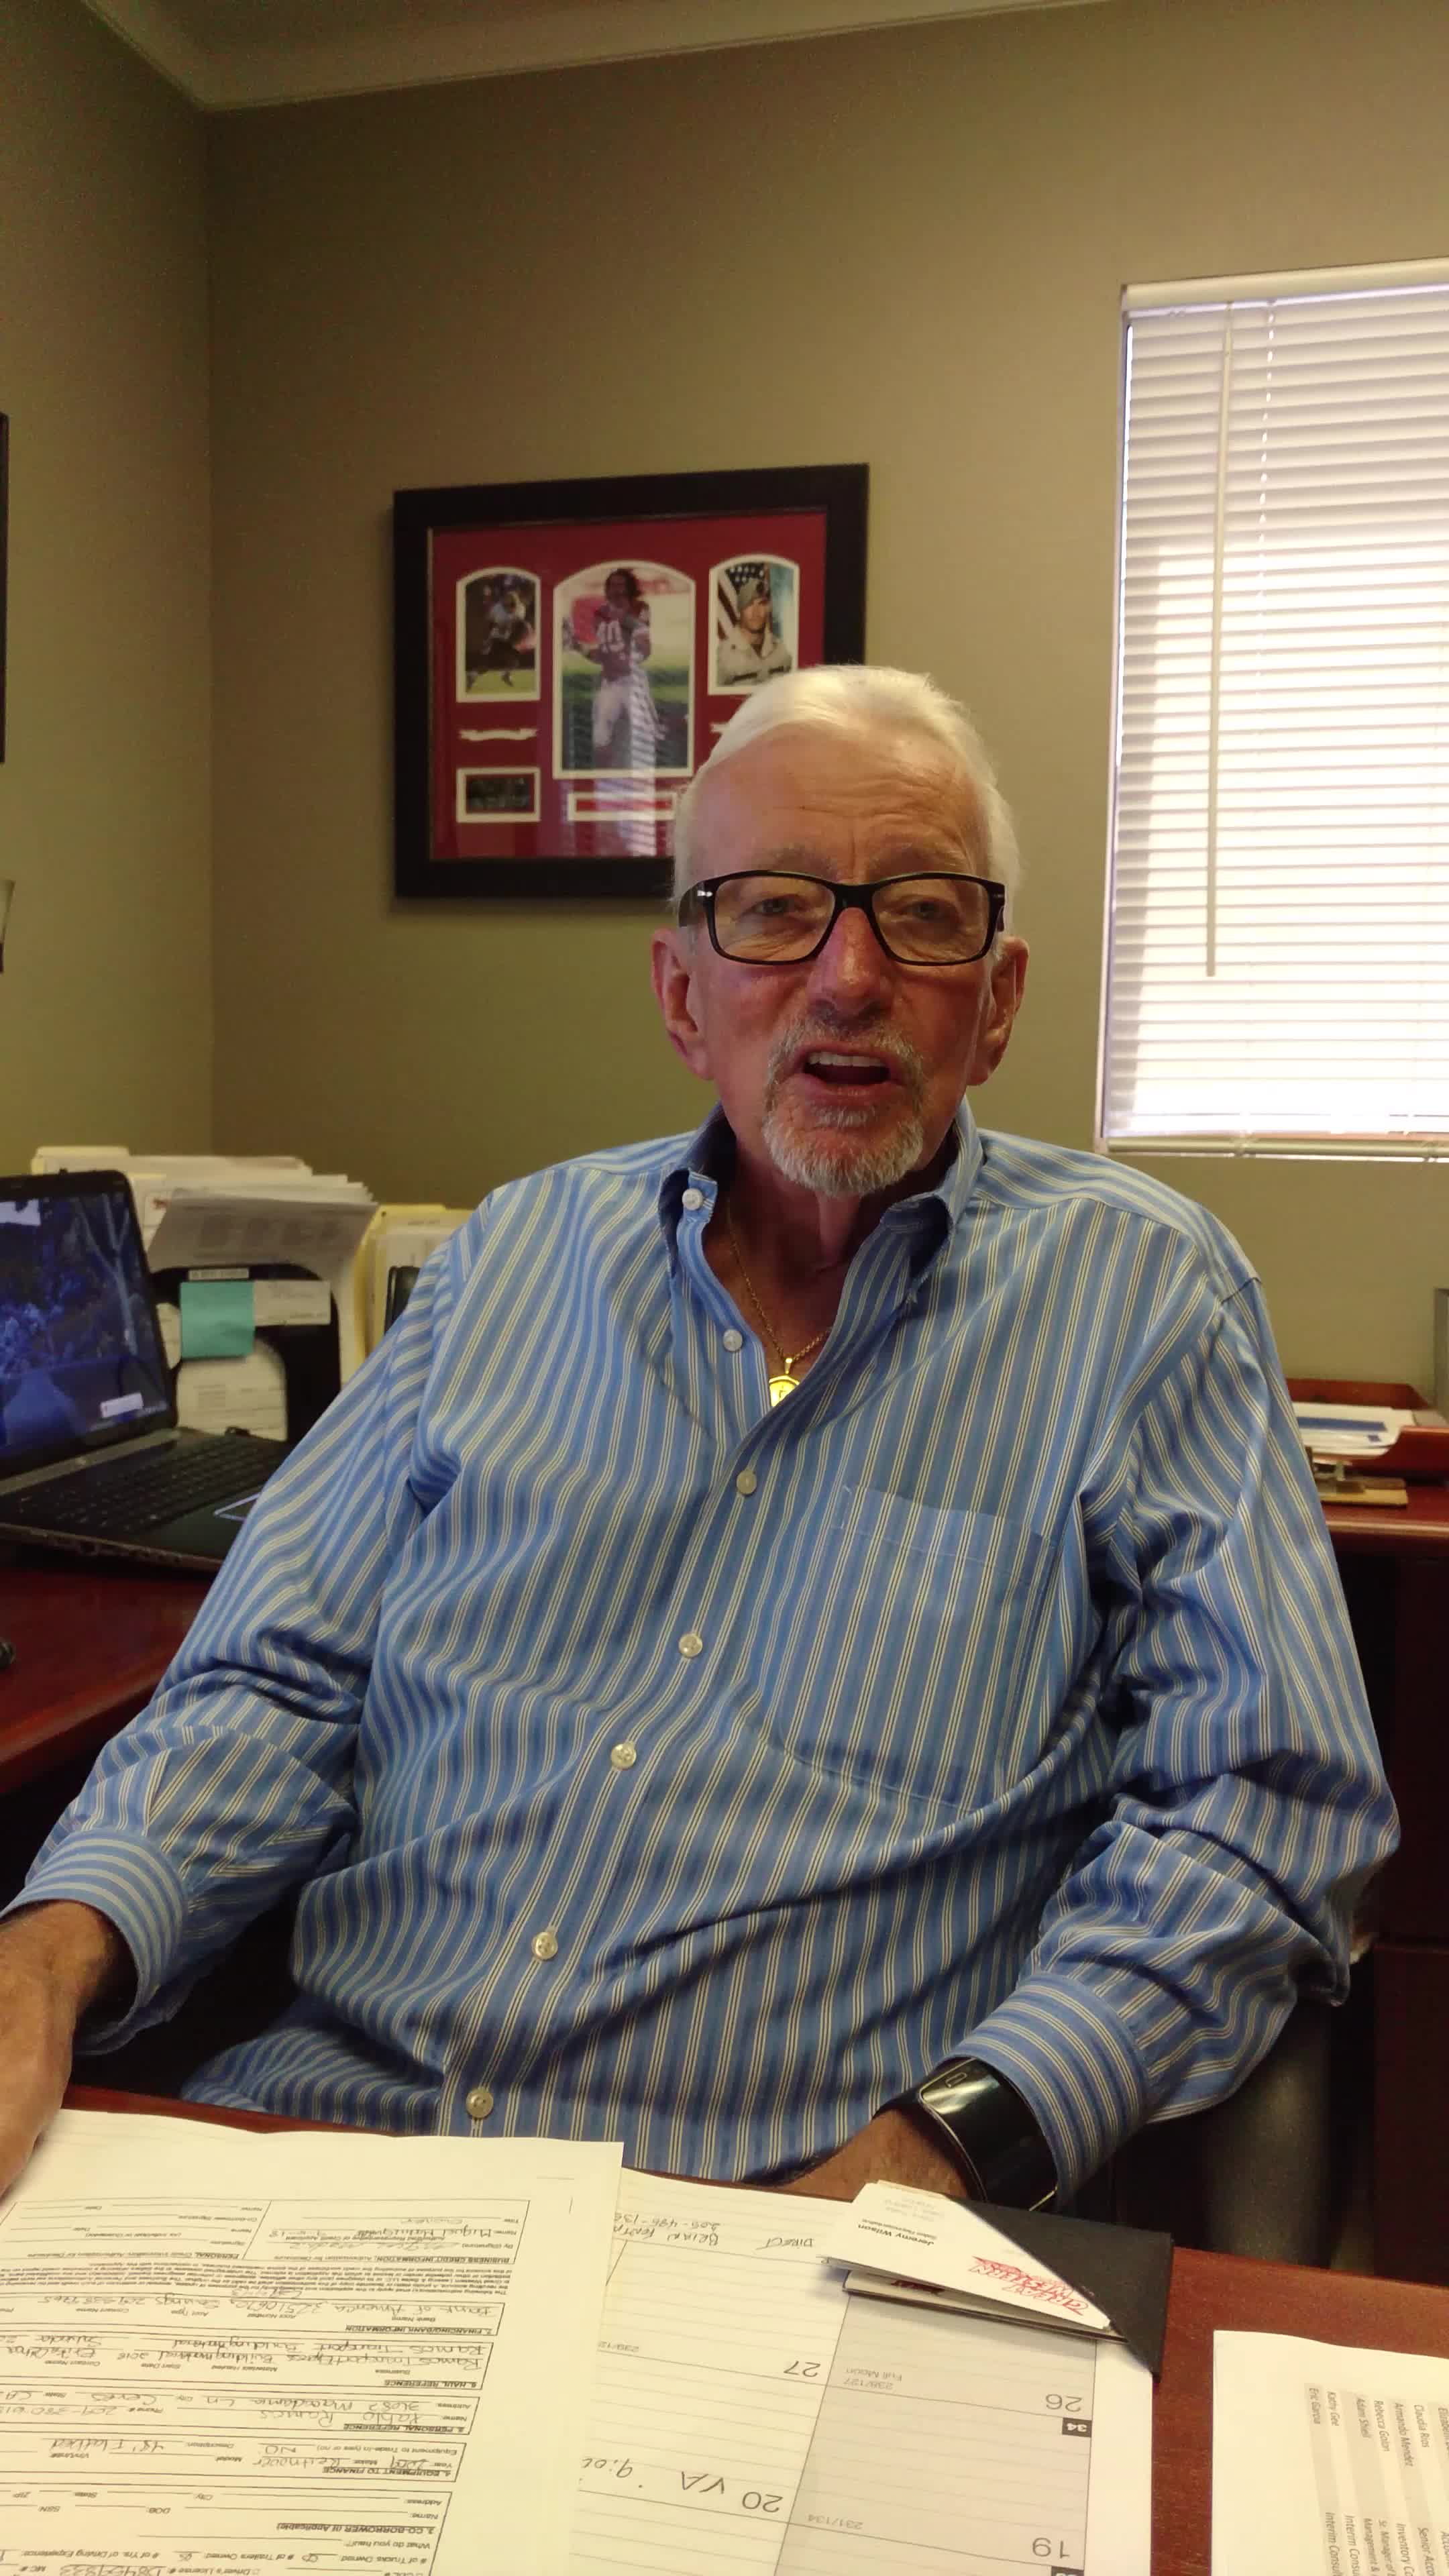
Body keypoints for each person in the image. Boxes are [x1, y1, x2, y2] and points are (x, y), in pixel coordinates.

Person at [0, 666, 1395, 2214]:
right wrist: (50, 1952)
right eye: (774, 910)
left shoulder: (1144, 1297)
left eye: (921, 915)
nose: (847, 976)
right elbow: (275, 1682)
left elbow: (1258, 1812)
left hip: (775, 2218)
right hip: (330, 2163)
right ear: (682, 995)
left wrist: (937, 2149)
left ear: (996, 1001)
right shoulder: (515, 1259)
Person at [566, 566, 663, 768]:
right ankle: (605, 775)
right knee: (600, 736)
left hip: (633, 681)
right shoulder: (600, 615)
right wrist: (578, 647)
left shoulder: (639, 609)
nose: (616, 590)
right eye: (612, 585)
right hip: (609, 683)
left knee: (649, 734)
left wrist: (622, 618)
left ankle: (658, 775)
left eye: (621, 585)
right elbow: (602, 656)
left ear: (630, 587)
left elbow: (645, 650)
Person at [716, 564, 794, 686]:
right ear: (740, 611)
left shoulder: (782, 652)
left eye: (761, 604)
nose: (756, 612)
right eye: (749, 604)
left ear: (768, 609)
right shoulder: (722, 657)